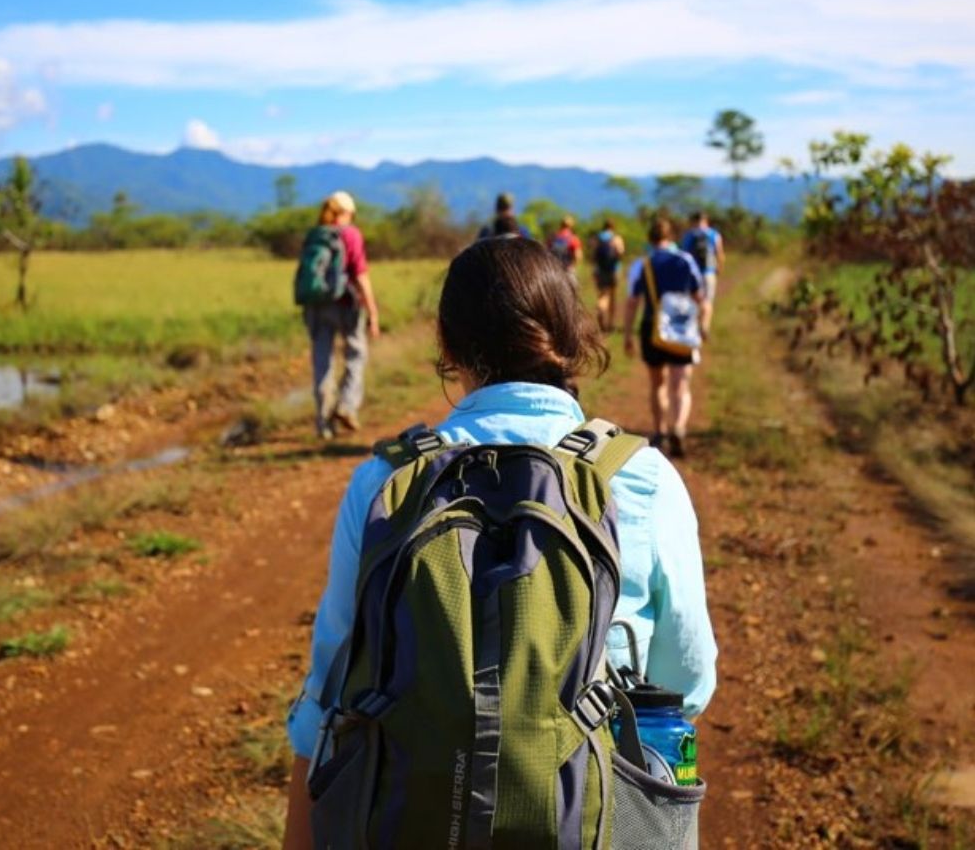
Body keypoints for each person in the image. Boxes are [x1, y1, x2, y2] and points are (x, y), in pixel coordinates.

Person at [283, 236, 717, 848]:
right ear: (571, 334)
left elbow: (329, 691)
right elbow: (687, 678)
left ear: (447, 344)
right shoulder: (641, 478)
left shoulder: (386, 481)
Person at [300, 191, 379, 440]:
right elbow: (360, 275)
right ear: (346, 213)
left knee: (322, 361)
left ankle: (323, 423)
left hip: (316, 306)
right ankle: (346, 405)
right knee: (355, 354)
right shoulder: (350, 234)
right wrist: (373, 311)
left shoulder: (315, 234)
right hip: (346, 304)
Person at [624, 216, 704, 458]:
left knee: (657, 384)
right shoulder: (686, 260)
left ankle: (659, 431)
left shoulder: (642, 264)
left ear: (650, 238)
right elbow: (699, 297)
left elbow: (632, 302)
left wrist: (628, 334)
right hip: (680, 329)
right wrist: (700, 325)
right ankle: (678, 427)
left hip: (652, 329)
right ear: (670, 237)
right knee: (680, 384)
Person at [680, 210, 724, 338]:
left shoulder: (688, 235)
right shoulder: (714, 235)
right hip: (709, 272)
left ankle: (692, 326)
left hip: (691, 274)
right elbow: (719, 253)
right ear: (706, 220)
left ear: (693, 221)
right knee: (708, 300)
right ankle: (704, 327)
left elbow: (683, 255)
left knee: (693, 300)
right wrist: (719, 268)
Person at [591, 217, 625, 332]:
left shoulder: (598, 238)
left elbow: (594, 256)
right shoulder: (616, 238)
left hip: (600, 270)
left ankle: (600, 307)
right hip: (613, 270)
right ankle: (610, 323)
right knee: (612, 296)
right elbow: (621, 252)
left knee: (602, 294)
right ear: (612, 227)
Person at [547, 213, 583, 281]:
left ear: (561, 224)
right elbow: (578, 256)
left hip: (554, 271)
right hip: (568, 269)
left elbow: (546, 252)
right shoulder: (573, 238)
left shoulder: (553, 237)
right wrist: (573, 266)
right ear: (571, 226)